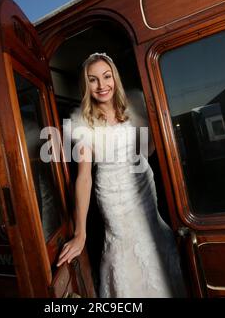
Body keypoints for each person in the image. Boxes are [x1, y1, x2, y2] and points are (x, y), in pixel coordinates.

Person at [57, 52, 186, 298]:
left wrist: (139, 158)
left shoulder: (135, 104)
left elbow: (149, 147)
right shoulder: (84, 123)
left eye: (106, 77)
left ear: (114, 78)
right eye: (93, 80)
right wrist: (80, 233)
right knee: (125, 246)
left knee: (153, 234)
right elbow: (84, 178)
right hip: (112, 195)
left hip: (142, 186)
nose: (101, 85)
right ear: (86, 85)